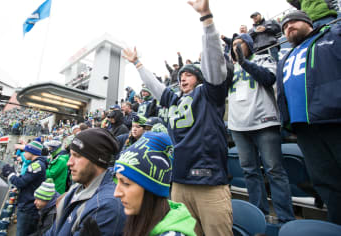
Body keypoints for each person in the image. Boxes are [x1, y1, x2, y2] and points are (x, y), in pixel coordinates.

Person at [122, 0, 232, 234]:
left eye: (189, 75)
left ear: (200, 78)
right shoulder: (174, 100)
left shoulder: (210, 93)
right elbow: (154, 86)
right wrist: (137, 63)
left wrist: (206, 19)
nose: (183, 78)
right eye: (180, 76)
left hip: (209, 181)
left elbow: (214, 63)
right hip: (179, 182)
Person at [277, 10, 341, 225]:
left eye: (293, 21)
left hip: (334, 119)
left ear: (308, 22)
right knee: (326, 184)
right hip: (304, 127)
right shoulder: (285, 57)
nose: (288, 27)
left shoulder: (333, 35)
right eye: (284, 26)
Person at [229, 33, 295, 223]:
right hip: (238, 124)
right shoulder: (230, 67)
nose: (236, 47)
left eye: (239, 43)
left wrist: (244, 63)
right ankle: (260, 215)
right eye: (233, 45)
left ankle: (285, 219)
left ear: (249, 44)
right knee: (249, 171)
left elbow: (268, 78)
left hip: (263, 120)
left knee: (274, 170)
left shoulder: (263, 58)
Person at [44, 128, 126, 235]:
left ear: (97, 159)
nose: (69, 163)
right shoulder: (77, 188)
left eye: (77, 156)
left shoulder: (106, 207)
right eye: (71, 155)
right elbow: (54, 230)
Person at [114, 132, 197, 236]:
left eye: (126, 183)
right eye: (117, 181)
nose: (116, 193)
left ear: (152, 188)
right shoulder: (140, 217)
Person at [2, 141, 47, 236]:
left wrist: (10, 174)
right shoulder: (37, 164)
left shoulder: (37, 165)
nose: (24, 153)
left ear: (32, 152)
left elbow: (21, 183)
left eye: (25, 151)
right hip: (29, 204)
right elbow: (27, 181)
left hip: (28, 207)